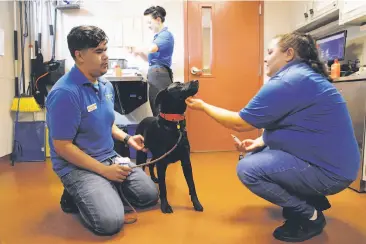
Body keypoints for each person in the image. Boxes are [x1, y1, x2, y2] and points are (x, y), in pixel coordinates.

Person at [185, 32, 360, 242]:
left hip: (331, 173)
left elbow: (239, 123)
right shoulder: (302, 76)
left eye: (270, 52)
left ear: (289, 54)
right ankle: (311, 197)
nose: (265, 58)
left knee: (248, 170)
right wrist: (260, 141)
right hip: (334, 164)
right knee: (254, 155)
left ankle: (310, 214)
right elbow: (297, 125)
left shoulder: (290, 81)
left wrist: (203, 106)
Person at [45, 25, 159, 236]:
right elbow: (62, 146)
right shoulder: (65, 93)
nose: (106, 57)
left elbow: (108, 123)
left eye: (105, 49)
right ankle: (76, 194)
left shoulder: (105, 86)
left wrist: (127, 138)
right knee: (110, 222)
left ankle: (105, 188)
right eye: (98, 52)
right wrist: (104, 171)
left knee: (149, 195)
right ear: (79, 55)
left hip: (109, 157)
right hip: (76, 166)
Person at [129, 5, 174, 116]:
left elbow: (152, 49)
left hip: (160, 74)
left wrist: (137, 48)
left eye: (149, 22)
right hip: (156, 73)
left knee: (160, 109)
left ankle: (163, 133)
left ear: (158, 20)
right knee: (157, 107)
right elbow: (150, 59)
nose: (148, 26)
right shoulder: (158, 37)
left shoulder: (165, 35)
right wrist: (139, 53)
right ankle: (161, 132)